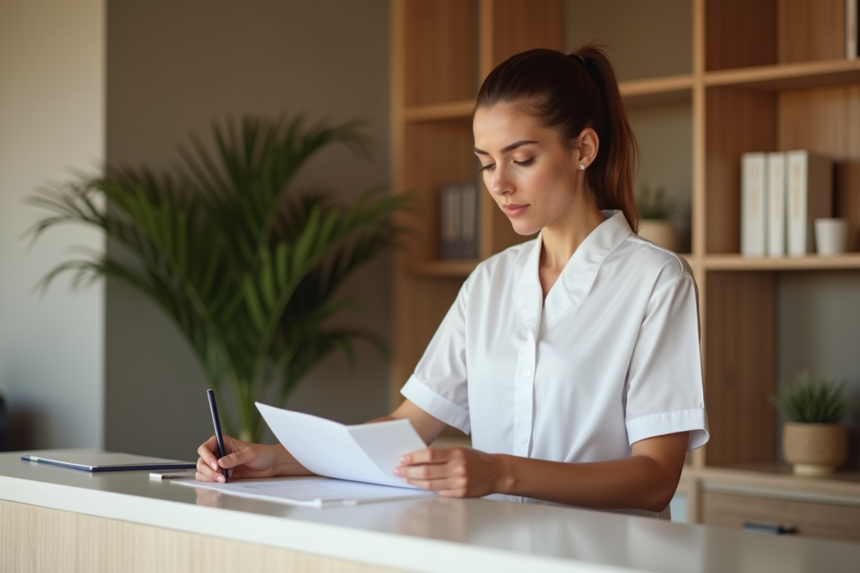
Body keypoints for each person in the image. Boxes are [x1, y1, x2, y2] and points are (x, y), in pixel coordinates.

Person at [196, 46, 708, 517]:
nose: (499, 183)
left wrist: (500, 471)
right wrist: (272, 459)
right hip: (485, 552)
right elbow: (408, 428)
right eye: (486, 164)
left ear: (584, 149)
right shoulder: (490, 282)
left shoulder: (656, 281)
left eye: (522, 159)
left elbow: (655, 478)